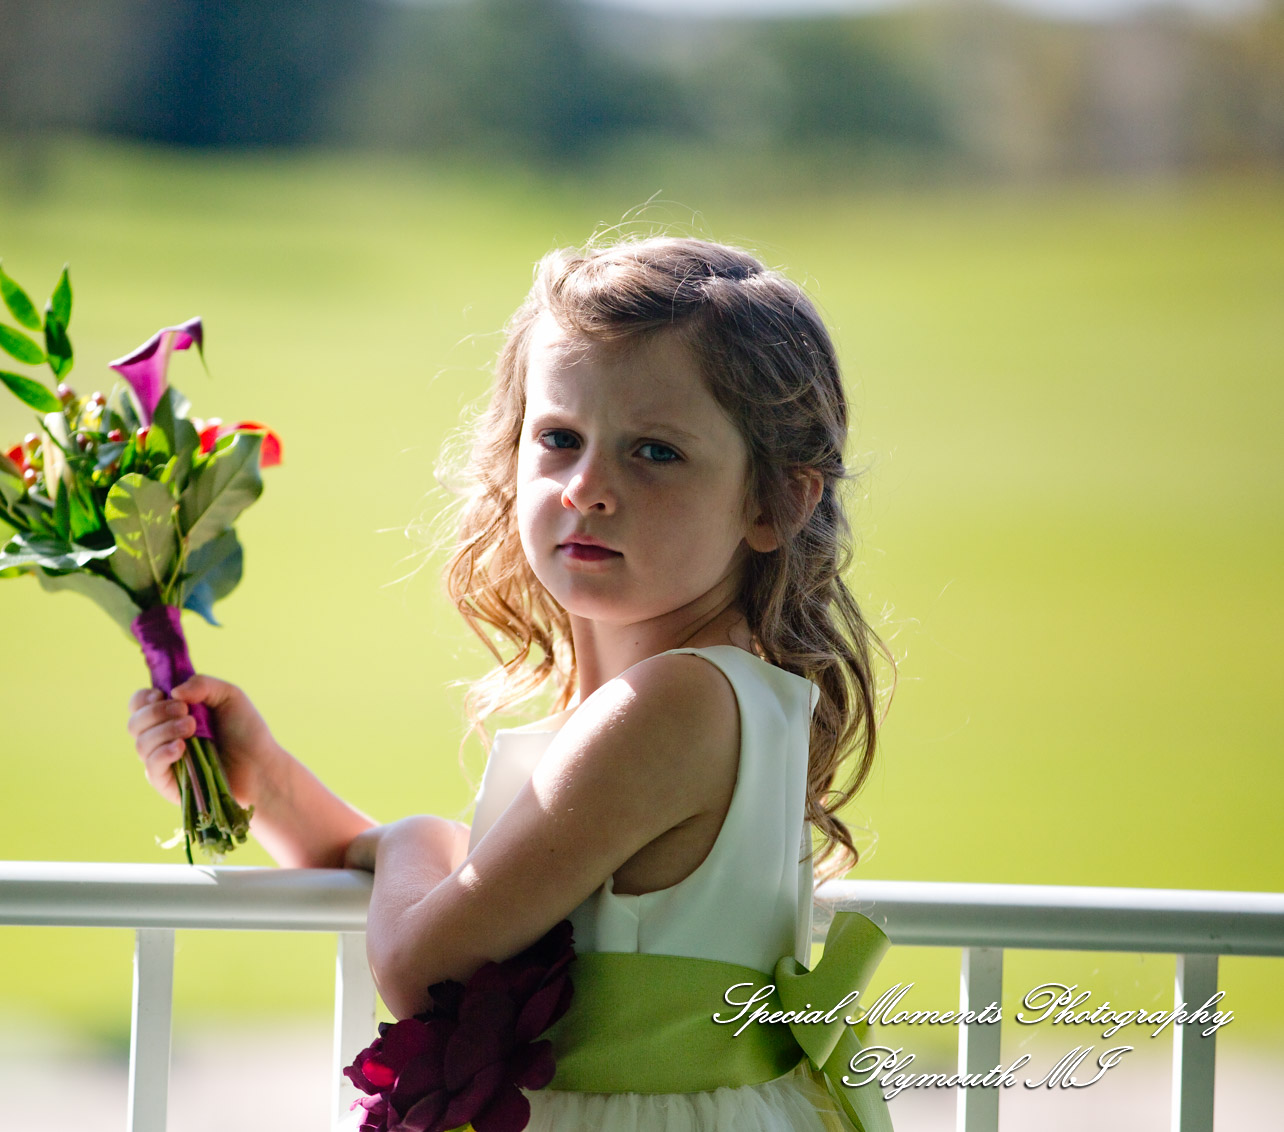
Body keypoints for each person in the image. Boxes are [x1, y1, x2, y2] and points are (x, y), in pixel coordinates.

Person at [127, 236, 892, 1130]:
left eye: (655, 452)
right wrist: (266, 779)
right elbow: (429, 888)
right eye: (559, 438)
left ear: (776, 502)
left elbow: (421, 965)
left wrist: (419, 837)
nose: (586, 488)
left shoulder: (672, 704)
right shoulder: (700, 699)